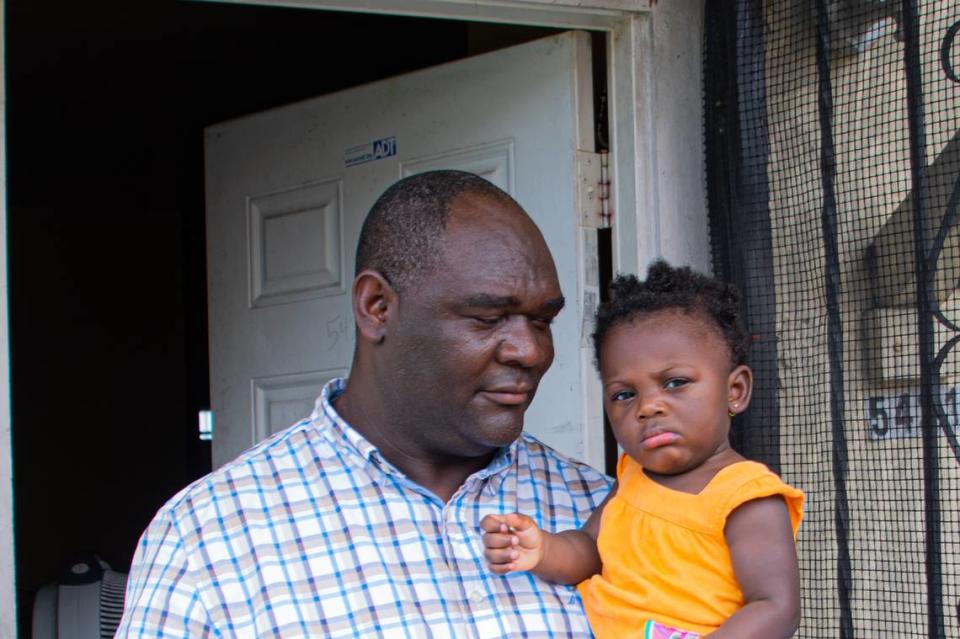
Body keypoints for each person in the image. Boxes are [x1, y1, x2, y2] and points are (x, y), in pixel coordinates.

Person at [114, 170, 612, 638]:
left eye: (542, 322)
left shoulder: (608, 510)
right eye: (487, 318)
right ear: (377, 307)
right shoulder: (210, 539)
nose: (530, 352)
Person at [481, 260, 804, 639]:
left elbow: (774, 607)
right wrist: (541, 550)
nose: (647, 406)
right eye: (624, 394)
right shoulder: (633, 476)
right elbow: (589, 549)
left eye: (675, 382)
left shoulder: (746, 496)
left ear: (735, 391)